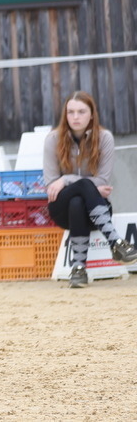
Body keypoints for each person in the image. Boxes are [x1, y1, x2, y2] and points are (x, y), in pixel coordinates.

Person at [43, 91, 137, 288]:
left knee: (78, 201)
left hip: (95, 212)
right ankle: (116, 243)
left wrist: (66, 180)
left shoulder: (105, 138)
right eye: (71, 112)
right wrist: (77, 182)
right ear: (65, 115)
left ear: (91, 114)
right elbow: (52, 184)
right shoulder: (52, 139)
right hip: (60, 209)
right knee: (85, 186)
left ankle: (78, 270)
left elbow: (103, 179)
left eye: (81, 112)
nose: (75, 117)